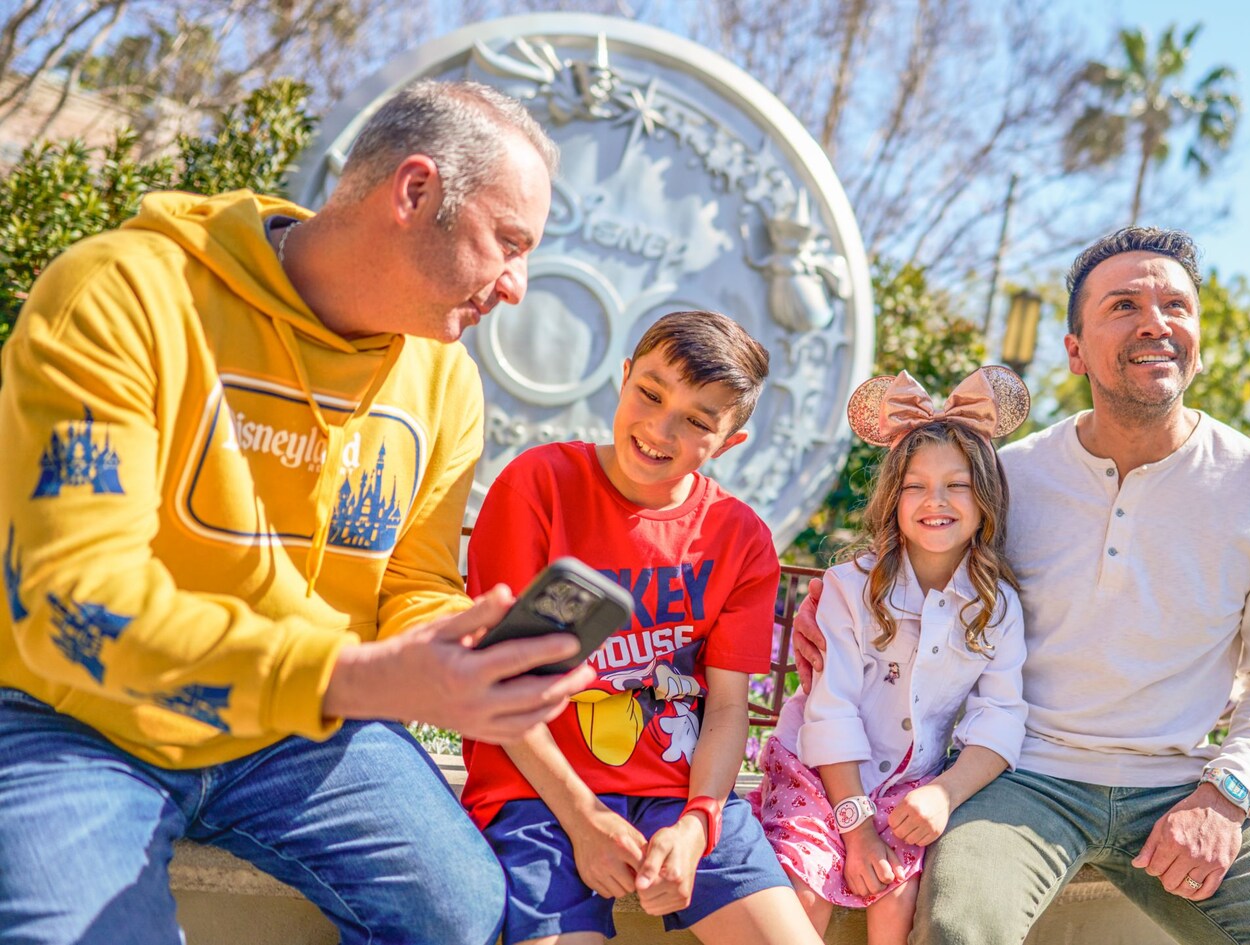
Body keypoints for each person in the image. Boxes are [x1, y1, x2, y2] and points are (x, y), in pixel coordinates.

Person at [0, 80, 595, 945]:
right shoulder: (122, 294)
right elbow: (72, 603)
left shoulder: (445, 379)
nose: (518, 285)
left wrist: (459, 645)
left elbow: (412, 581)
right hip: (78, 715)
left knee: (461, 912)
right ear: (415, 191)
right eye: (508, 242)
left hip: (294, 735)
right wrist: (344, 679)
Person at [796, 228, 1250, 944]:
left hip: (1181, 786)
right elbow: (917, 568)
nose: (1154, 322)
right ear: (1075, 351)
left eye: (1174, 305)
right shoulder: (1010, 478)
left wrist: (1227, 793)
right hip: (1021, 779)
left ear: (1199, 336)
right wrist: (829, 603)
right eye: (1124, 304)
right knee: (957, 926)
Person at [459, 311, 822, 945]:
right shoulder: (536, 486)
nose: (660, 428)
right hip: (538, 796)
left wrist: (698, 825)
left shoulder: (739, 539)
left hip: (683, 799)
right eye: (649, 394)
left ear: (730, 441)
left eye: (698, 421)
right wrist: (583, 818)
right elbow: (497, 683)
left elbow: (729, 706)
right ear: (623, 377)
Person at [752, 368, 1030, 945]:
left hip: (913, 780)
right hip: (819, 772)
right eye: (915, 485)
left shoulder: (996, 606)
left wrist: (945, 792)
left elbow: (1000, 716)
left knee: (899, 895)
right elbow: (831, 710)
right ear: (891, 498)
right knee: (804, 890)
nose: (937, 501)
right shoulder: (850, 588)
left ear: (985, 501)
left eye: (958, 485)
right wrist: (855, 830)